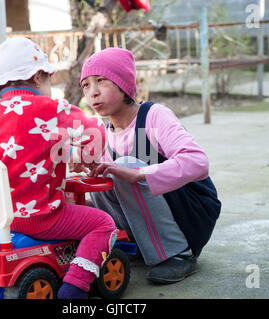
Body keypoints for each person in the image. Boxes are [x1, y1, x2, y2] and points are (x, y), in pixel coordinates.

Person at [0, 37, 117, 299]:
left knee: (66, 200)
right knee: (103, 223)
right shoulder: (50, 108)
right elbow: (96, 130)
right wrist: (89, 157)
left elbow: (29, 149)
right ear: (38, 76)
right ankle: (75, 287)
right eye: (48, 81)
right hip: (39, 218)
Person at [77, 47, 221, 284]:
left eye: (101, 81)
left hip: (190, 212)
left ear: (124, 84)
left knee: (124, 166)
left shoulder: (154, 116)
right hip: (147, 221)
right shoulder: (103, 133)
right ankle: (129, 244)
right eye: (86, 85)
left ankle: (179, 253)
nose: (92, 93)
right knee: (100, 174)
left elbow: (198, 162)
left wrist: (139, 174)